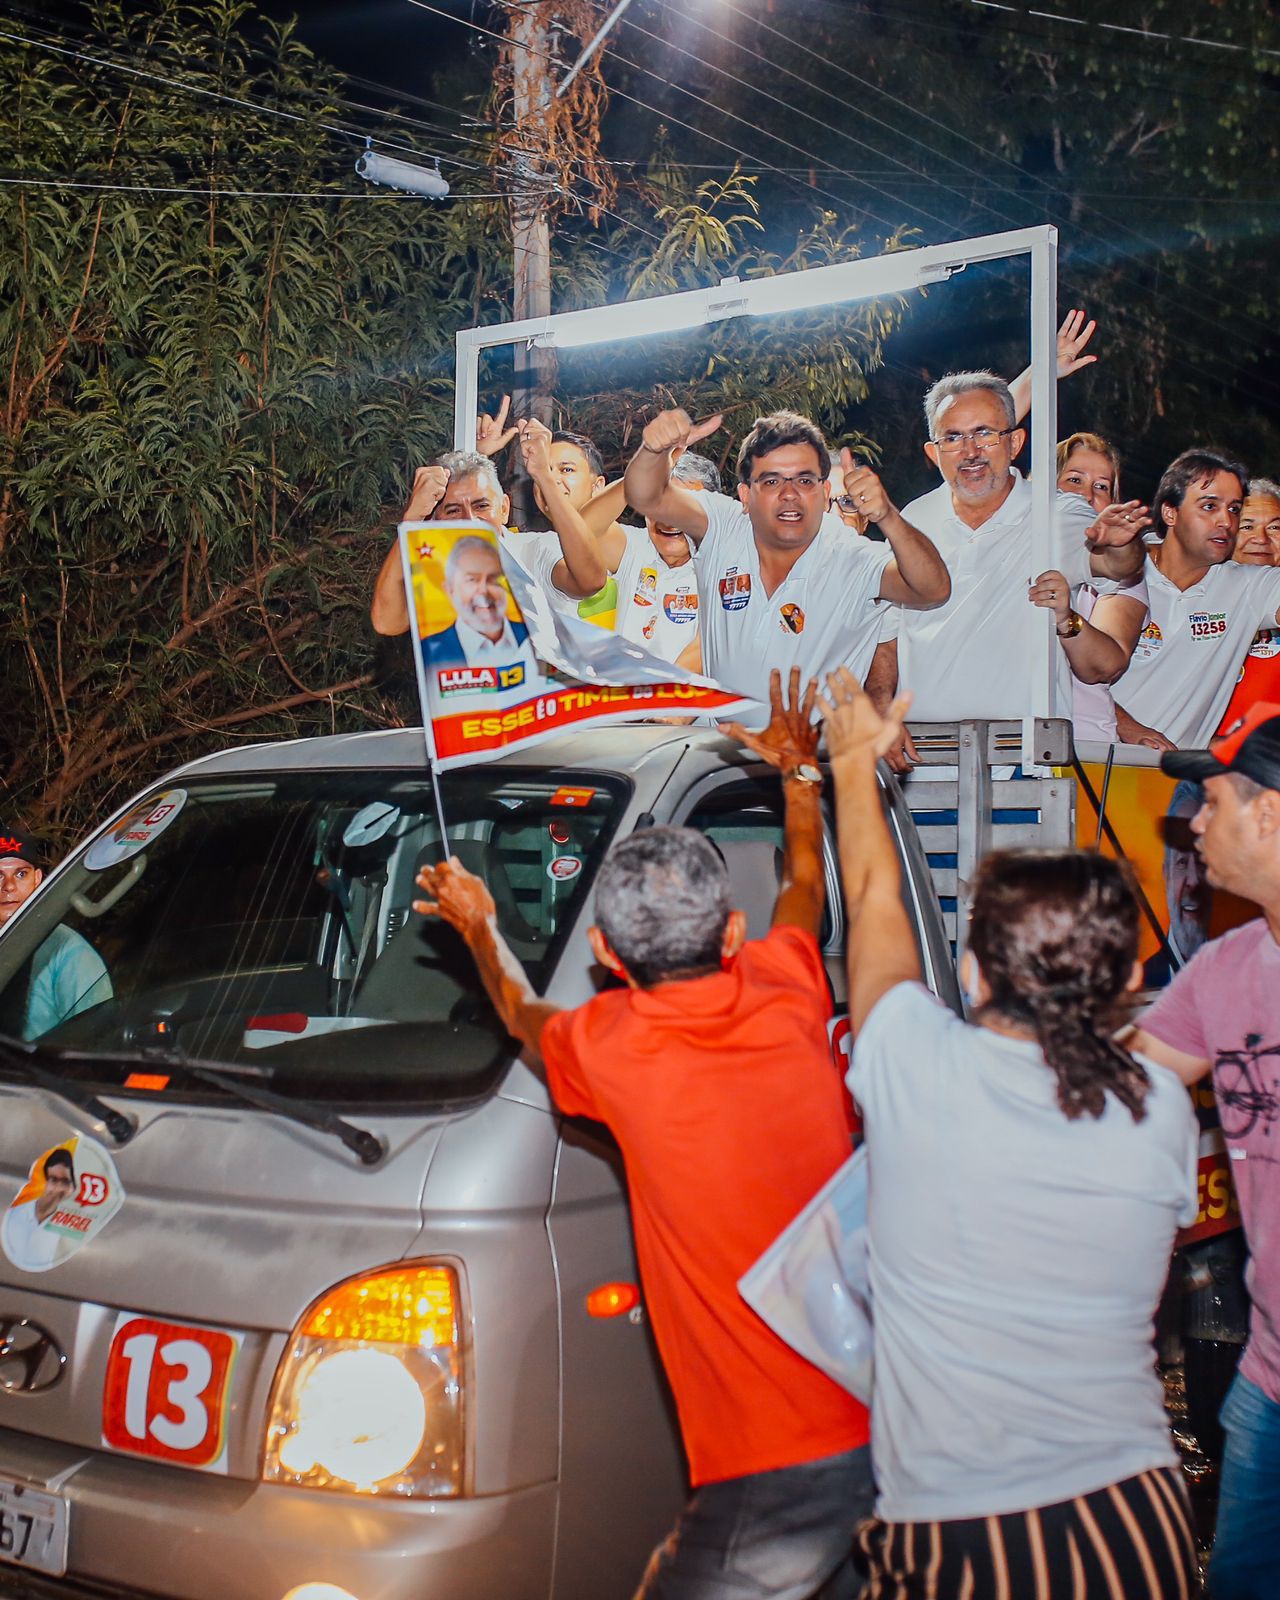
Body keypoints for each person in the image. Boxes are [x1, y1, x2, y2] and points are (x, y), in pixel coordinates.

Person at [412, 669, 874, 1599]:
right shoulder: (789, 986)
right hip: (884, 1416)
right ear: (734, 932)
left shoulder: (608, 1047)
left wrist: (480, 923)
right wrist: (799, 777)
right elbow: (808, 886)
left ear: (609, 956)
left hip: (773, 1464)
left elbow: (517, 1011)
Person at [816, 666, 1200, 1598]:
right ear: (1119, 990)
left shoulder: (916, 1068)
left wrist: (852, 766)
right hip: (1134, 1521)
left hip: (957, 1533)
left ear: (977, 975)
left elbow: (872, 902)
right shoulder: (1158, 1106)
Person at [1128, 703, 1280, 1600]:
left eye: (1212, 801)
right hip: (1269, 1379)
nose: (1192, 824)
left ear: (1271, 813)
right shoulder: (1224, 968)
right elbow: (1121, 1079)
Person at [866, 371, 1148, 769]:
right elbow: (887, 630)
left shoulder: (1057, 513)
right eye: (953, 438)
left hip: (1025, 761)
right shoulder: (913, 519)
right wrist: (879, 707)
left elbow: (1116, 564)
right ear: (933, 453)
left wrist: (1122, 543)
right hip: (920, 758)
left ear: (1014, 442)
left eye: (985, 433)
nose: (971, 451)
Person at [623, 406, 950, 716]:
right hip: (724, 762)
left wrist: (888, 517)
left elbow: (931, 589)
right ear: (746, 495)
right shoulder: (723, 525)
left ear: (824, 493)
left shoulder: (850, 555)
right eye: (772, 481)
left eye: (804, 480)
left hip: (818, 764)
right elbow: (645, 496)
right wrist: (654, 450)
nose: (789, 493)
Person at [1112, 448, 1280, 751]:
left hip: (1172, 782)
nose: (1225, 522)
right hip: (1085, 762)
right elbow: (1062, 670)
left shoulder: (1251, 587)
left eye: (1233, 509)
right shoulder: (1115, 567)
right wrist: (1125, 725)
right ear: (1170, 512)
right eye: (1209, 506)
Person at [539, 448, 720, 664]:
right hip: (623, 690)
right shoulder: (638, 548)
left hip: (679, 694)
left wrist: (651, 695)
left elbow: (705, 648)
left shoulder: (726, 564)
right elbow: (583, 530)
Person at [1054, 431, 1151, 748]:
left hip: (1084, 743)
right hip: (1005, 737)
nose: (1086, 496)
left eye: (1101, 487)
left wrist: (1064, 615)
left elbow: (1102, 667)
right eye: (1074, 480)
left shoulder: (1125, 571)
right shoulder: (1011, 548)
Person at [0, 829, 112, 1041]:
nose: (9, 887)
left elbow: (96, 1038)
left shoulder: (68, 952)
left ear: (38, 879)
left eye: (21, 874)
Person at [1216, 476, 1280, 735]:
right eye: (1247, 526)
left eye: (1275, 528)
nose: (1261, 539)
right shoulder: (1195, 598)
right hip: (1187, 758)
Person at [428, 535, 540, 683]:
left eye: (493, 579)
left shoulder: (536, 638)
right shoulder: (431, 651)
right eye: (472, 580)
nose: (483, 590)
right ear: (449, 590)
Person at [1, 1147, 76, 1272]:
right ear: (44, 1182)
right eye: (53, 1180)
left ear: (73, 1187)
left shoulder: (72, 1228)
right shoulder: (14, 1215)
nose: (58, 1187)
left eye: (65, 1181)